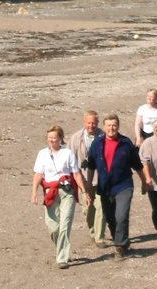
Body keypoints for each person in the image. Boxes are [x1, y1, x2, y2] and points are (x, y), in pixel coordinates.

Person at [31, 124, 91, 269]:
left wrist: (84, 191)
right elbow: (38, 174)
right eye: (50, 138)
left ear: (60, 138)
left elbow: (76, 174)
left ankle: (62, 258)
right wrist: (34, 192)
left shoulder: (68, 153)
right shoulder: (42, 154)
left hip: (66, 191)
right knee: (52, 226)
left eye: (55, 138)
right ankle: (61, 248)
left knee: (65, 224)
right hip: (50, 191)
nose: (52, 140)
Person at [86, 113, 146, 259]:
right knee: (111, 218)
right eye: (108, 126)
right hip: (105, 187)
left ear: (118, 126)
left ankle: (120, 245)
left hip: (124, 185)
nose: (111, 128)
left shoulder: (126, 143)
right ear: (104, 127)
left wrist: (144, 182)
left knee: (121, 215)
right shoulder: (97, 144)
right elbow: (91, 167)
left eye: (114, 125)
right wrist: (88, 187)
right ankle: (122, 242)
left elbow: (137, 165)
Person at [68, 109, 107, 246]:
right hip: (83, 179)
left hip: (100, 178)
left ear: (97, 123)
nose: (91, 126)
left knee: (101, 206)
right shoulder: (75, 138)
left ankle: (99, 237)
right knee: (88, 209)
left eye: (94, 123)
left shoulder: (103, 136)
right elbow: (70, 159)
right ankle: (93, 231)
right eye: (89, 123)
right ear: (84, 122)